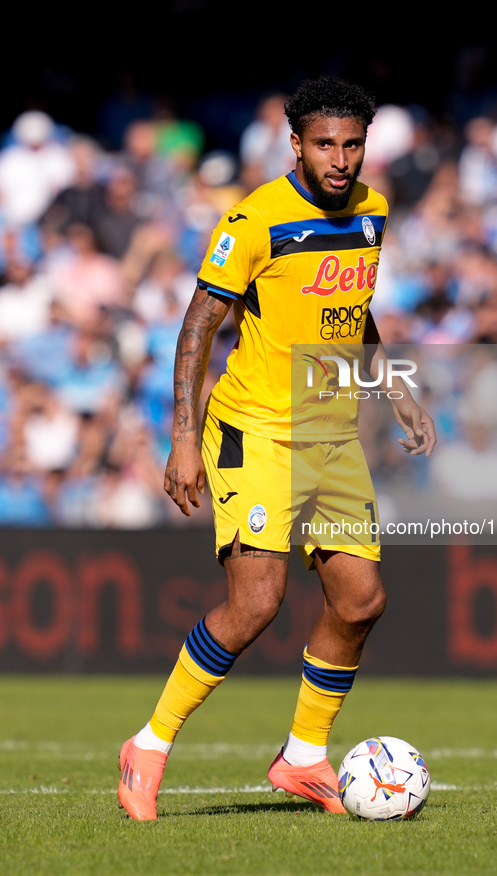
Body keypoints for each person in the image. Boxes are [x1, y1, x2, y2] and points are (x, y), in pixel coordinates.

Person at [117, 76, 436, 820]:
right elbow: (198, 326)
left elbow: (349, 316)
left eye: (352, 144)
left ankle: (302, 758)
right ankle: (149, 743)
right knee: (255, 603)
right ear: (295, 142)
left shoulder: (372, 212)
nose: (339, 158)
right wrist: (183, 439)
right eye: (324, 143)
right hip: (254, 429)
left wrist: (393, 388)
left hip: (328, 431)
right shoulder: (255, 218)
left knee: (360, 601)